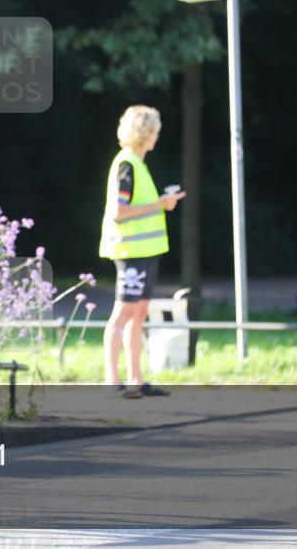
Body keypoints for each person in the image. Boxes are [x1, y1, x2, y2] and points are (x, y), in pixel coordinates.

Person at [99, 105, 186, 398]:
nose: (157, 137)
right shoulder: (127, 165)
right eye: (156, 131)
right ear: (146, 133)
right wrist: (161, 204)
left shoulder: (138, 164)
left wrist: (163, 201)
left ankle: (136, 378)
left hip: (146, 251)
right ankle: (113, 380)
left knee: (138, 315)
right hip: (131, 251)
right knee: (123, 314)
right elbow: (119, 212)